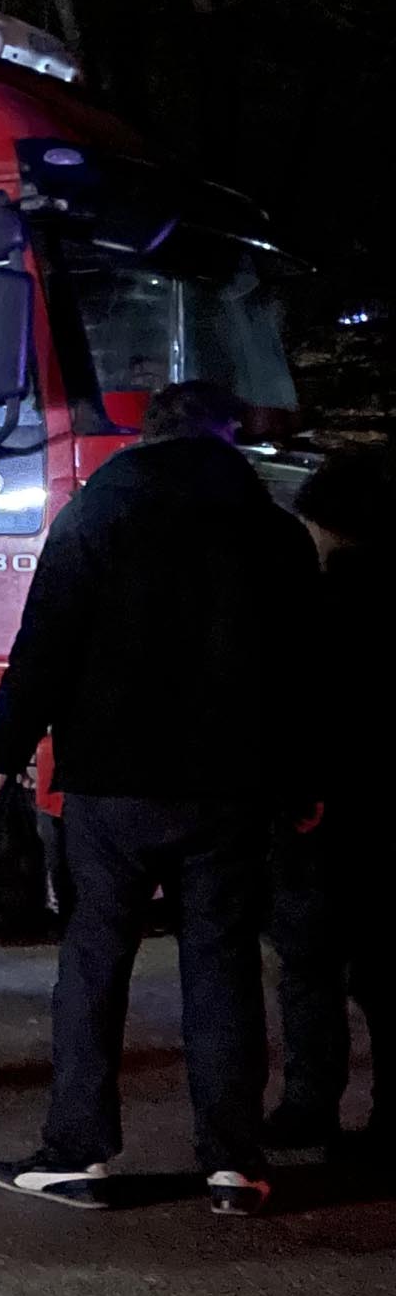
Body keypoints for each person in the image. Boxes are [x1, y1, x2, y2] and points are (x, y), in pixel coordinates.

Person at [0, 379, 322, 1217]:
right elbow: (307, 670)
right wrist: (303, 777)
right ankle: (235, 1164)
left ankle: (77, 1153)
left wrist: (7, 748)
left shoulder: (97, 516)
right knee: (224, 964)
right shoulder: (273, 533)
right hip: (233, 786)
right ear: (227, 437)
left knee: (96, 960)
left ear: (147, 435)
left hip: (114, 782)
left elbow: (46, 638)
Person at [265, 451, 396, 1155]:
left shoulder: (313, 604)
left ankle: (309, 1107)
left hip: (321, 811)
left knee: (310, 964)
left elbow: (293, 711)